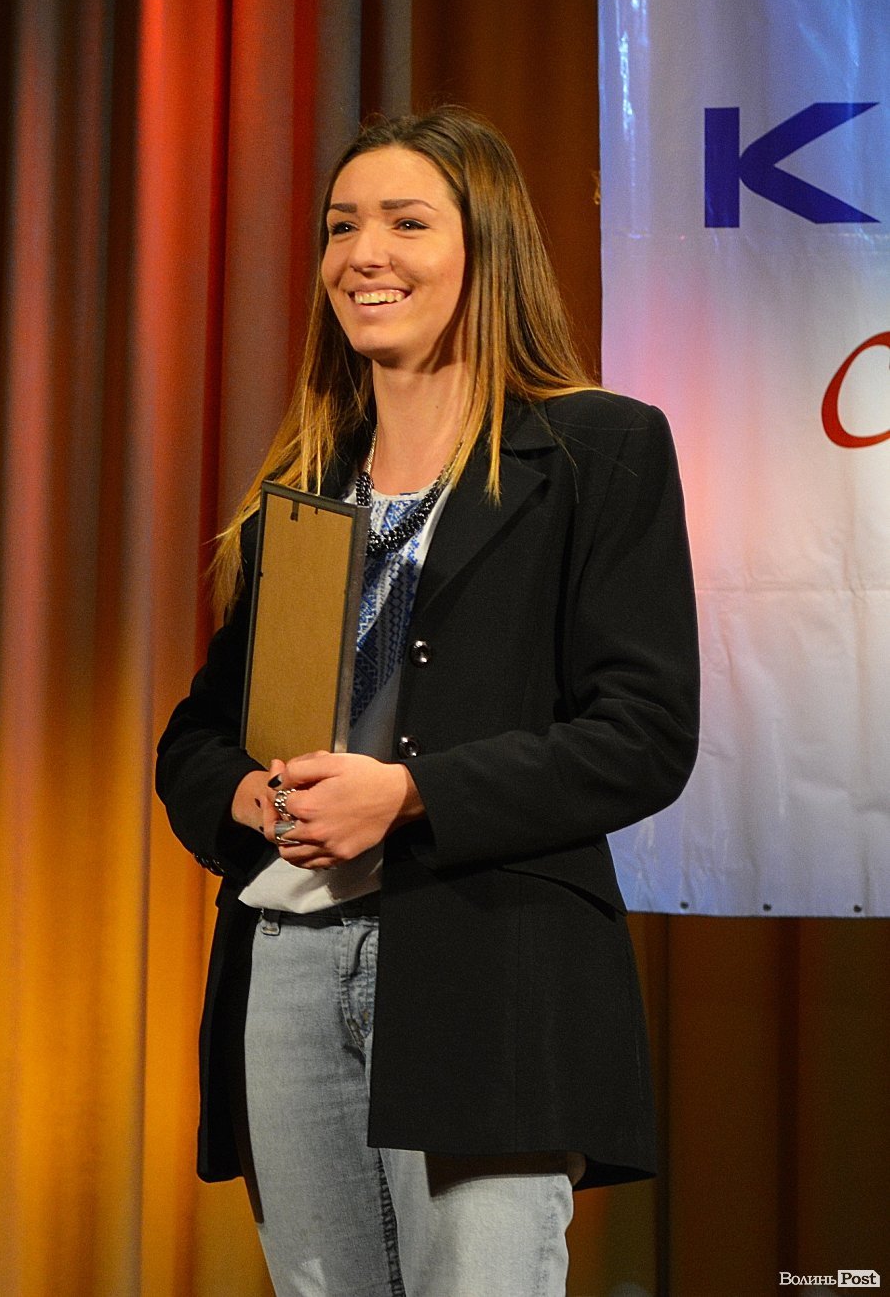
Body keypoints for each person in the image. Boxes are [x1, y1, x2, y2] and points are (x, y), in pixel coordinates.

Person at [156, 107, 699, 1297]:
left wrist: (408, 794)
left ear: (485, 248)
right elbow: (196, 738)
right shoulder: (307, 489)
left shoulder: (598, 449)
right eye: (341, 226)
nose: (365, 254)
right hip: (287, 962)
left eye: (407, 222)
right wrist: (252, 796)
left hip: (486, 962)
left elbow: (644, 734)